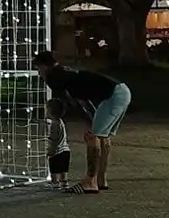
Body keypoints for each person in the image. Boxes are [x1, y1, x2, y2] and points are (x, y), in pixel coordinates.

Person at [33, 51, 132, 194]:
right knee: (102, 136)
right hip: (122, 90)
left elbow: (76, 102)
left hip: (113, 96)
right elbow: (83, 100)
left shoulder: (55, 78)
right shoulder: (65, 72)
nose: (39, 73)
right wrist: (91, 121)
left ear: (44, 66)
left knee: (93, 136)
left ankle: (90, 182)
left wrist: (89, 124)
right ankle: (100, 179)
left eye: (38, 68)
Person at [45, 98, 70, 189]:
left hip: (57, 151)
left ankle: (55, 181)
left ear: (51, 111)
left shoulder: (54, 124)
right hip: (66, 150)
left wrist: (50, 151)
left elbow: (54, 139)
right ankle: (64, 182)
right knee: (63, 168)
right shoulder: (60, 122)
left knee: (54, 168)